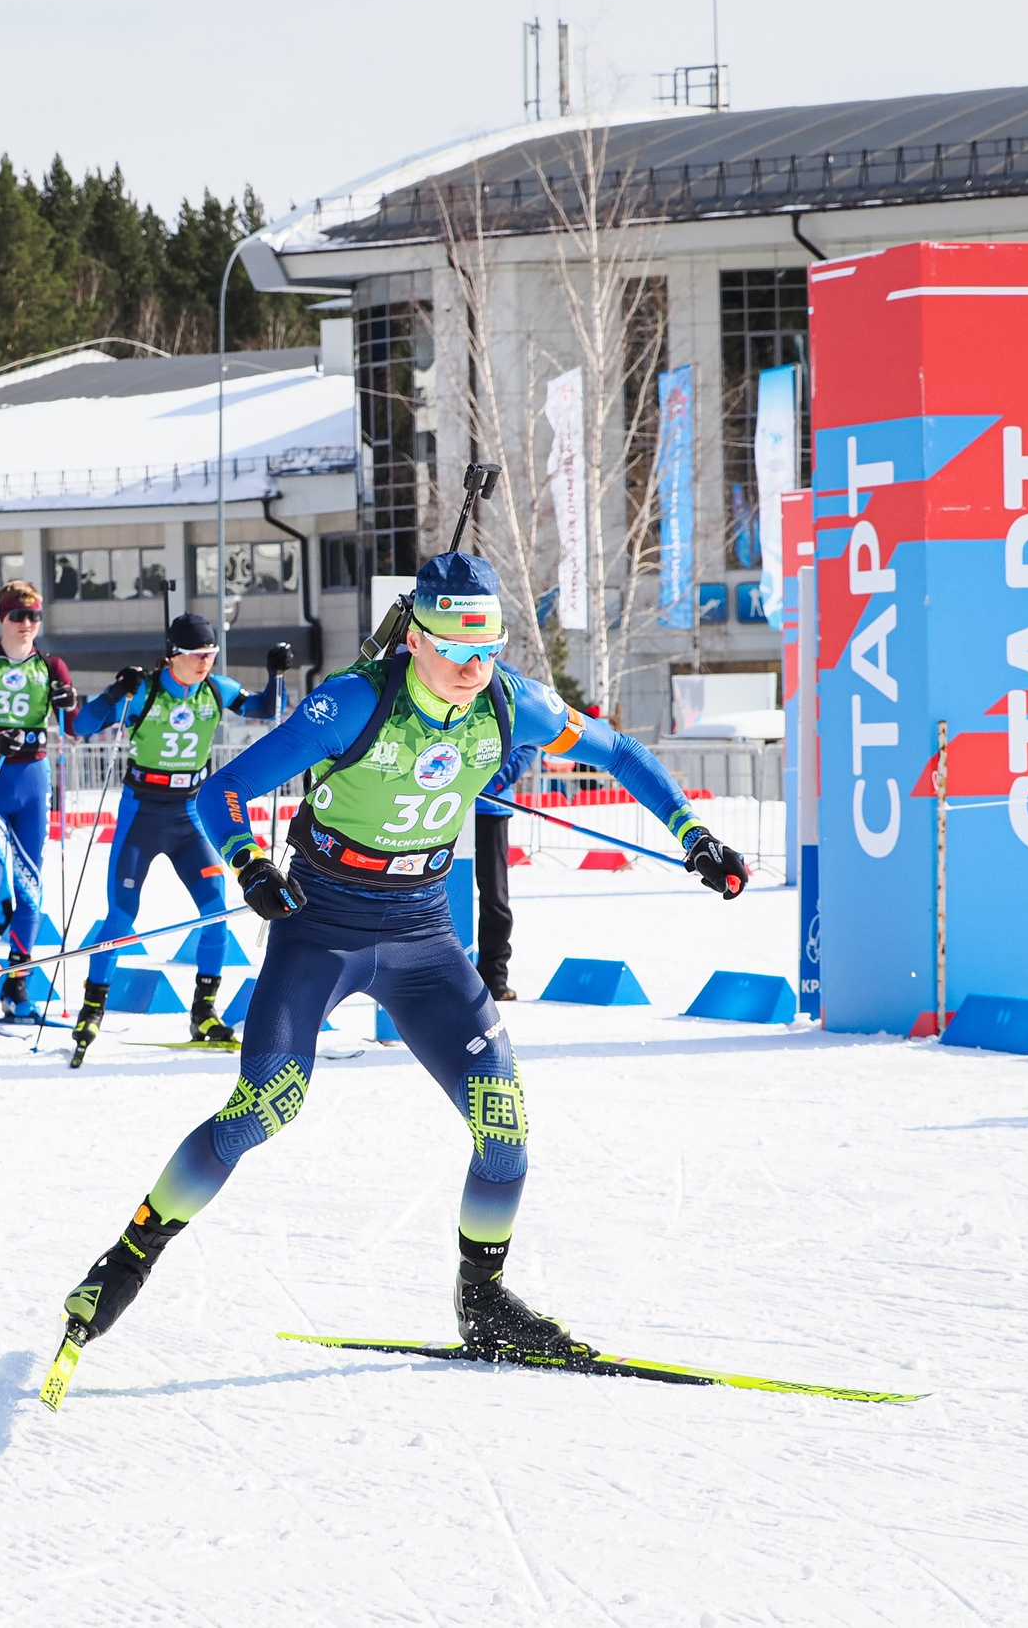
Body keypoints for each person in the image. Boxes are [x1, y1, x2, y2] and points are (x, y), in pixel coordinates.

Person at [53, 552, 750, 1371]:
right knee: (264, 1107)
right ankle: (126, 1259)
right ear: (416, 637)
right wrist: (249, 863)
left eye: (485, 648)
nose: (471, 666)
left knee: (506, 1127)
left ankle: (484, 1301)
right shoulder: (353, 703)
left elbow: (621, 752)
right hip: (323, 931)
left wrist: (694, 835)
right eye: (454, 647)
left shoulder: (508, 701)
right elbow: (221, 792)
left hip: (424, 936)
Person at [60, 614, 291, 1064]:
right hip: (141, 812)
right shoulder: (145, 689)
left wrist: (276, 673)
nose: (206, 662)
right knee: (122, 914)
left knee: (215, 909)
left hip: (189, 814)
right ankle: (92, 1009)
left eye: (211, 655)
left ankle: (204, 1011)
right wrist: (113, 691)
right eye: (198, 655)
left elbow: (266, 710)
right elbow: (82, 727)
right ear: (174, 656)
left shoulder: (216, 689)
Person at [0, 580, 74, 1022]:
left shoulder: (50, 664)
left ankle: (17, 981)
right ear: (1, 617)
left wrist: (72, 702)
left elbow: (75, 725)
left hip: (32, 778)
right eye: (17, 617)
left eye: (33, 617)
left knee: (31, 886)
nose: (26, 625)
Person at [472, 744, 539, 1000]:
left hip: (490, 808)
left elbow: (530, 744)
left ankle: (494, 977)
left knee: (495, 898)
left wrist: (493, 780)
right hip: (448, 806)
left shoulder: (512, 704)